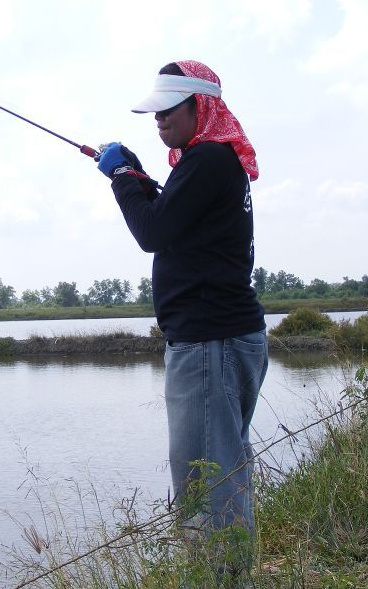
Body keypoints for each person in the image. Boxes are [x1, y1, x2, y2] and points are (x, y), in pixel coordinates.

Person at [97, 60, 268, 538]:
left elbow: (153, 230)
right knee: (223, 470)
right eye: (154, 113)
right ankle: (226, 571)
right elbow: (172, 214)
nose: (159, 120)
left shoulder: (208, 160)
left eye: (169, 110)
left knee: (208, 482)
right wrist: (136, 175)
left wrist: (122, 179)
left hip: (211, 343)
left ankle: (221, 575)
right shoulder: (210, 162)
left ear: (201, 107)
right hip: (225, 337)